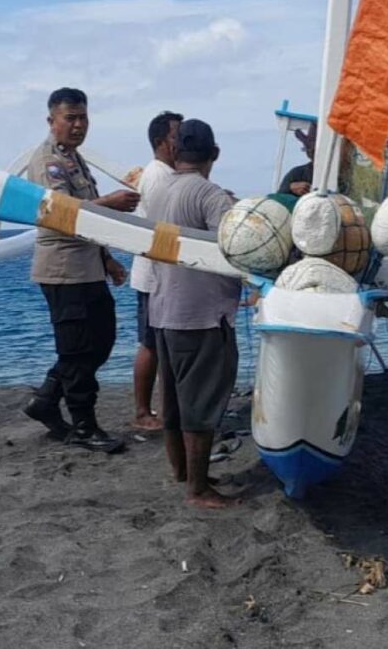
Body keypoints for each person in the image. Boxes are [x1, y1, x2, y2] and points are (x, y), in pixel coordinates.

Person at [23, 88, 140, 453]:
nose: (78, 125)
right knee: (76, 351)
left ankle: (46, 399)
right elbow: (63, 213)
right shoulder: (47, 161)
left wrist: (107, 259)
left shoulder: (74, 158)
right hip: (63, 270)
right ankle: (84, 427)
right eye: (70, 118)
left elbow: (89, 220)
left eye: (83, 118)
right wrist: (111, 203)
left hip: (88, 266)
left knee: (101, 342)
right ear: (52, 121)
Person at [147, 119, 242, 509]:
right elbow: (237, 247)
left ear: (175, 151)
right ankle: (198, 489)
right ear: (213, 153)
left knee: (173, 400)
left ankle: (183, 473)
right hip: (202, 316)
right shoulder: (210, 195)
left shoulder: (158, 191)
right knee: (201, 404)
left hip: (163, 310)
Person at [128, 111, 183, 431]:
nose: (182, 142)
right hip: (153, 276)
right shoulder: (159, 176)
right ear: (162, 142)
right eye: (177, 136)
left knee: (159, 345)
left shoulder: (167, 173)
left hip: (158, 274)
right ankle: (142, 411)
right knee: (151, 345)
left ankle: (159, 409)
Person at [277, 123, 315, 196]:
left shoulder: (338, 174)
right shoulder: (297, 173)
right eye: (308, 149)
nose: (311, 153)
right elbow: (279, 197)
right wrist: (290, 187)